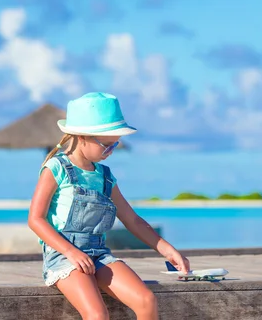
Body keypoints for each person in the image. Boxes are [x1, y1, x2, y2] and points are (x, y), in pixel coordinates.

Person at [28, 92, 190, 320]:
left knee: (146, 300)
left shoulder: (105, 176)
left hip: (99, 254)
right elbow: (36, 219)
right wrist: (71, 252)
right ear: (82, 136)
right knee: (97, 315)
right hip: (64, 256)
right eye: (106, 146)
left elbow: (131, 219)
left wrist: (165, 248)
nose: (111, 152)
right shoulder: (56, 168)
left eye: (115, 146)